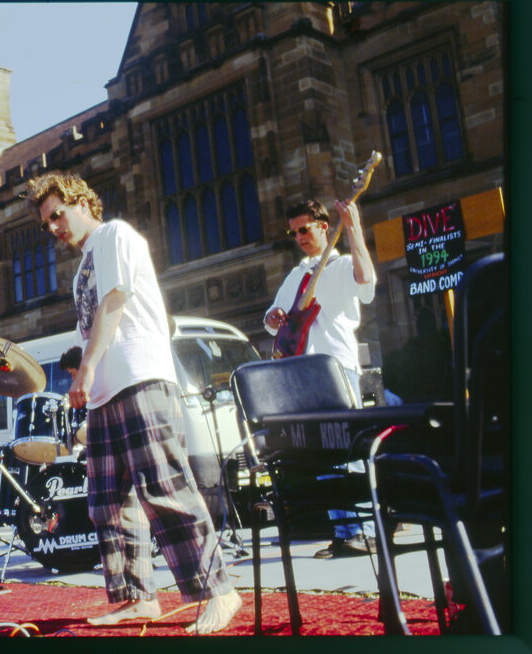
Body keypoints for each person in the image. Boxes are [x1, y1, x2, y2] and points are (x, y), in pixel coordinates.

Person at [27, 172, 241, 634]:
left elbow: (116, 300)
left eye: (57, 215)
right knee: (107, 504)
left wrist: (85, 369)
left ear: (81, 201)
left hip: (140, 380)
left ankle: (217, 590)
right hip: (106, 394)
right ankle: (135, 599)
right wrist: (90, 377)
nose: (53, 228)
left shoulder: (113, 235)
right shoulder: (83, 264)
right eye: (47, 224)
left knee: (166, 489)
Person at [264, 198, 378, 559]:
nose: (298, 237)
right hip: (305, 373)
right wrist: (274, 317)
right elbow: (272, 321)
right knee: (326, 456)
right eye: (293, 232)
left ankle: (370, 530)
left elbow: (367, 283)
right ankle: (346, 532)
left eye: (304, 229)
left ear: (324, 227)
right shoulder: (297, 274)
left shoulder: (342, 265)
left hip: (337, 368)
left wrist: (355, 226)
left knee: (353, 449)